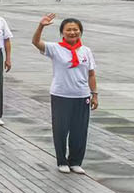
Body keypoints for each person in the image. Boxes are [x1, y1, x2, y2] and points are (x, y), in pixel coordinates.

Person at [32, 15, 98, 173]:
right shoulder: (55, 48)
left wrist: (94, 94)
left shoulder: (86, 51)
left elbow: (91, 74)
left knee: (80, 130)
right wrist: (41, 26)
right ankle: (62, 161)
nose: (72, 32)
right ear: (62, 32)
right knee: (61, 129)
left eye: (76, 29)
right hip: (61, 95)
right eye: (69, 30)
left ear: (80, 32)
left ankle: (75, 162)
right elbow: (36, 42)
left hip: (81, 96)